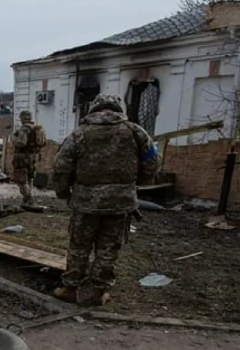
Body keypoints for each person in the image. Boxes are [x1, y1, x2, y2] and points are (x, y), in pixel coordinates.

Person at [52, 94, 161, 306]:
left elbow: (61, 167)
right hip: (119, 204)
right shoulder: (135, 132)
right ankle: (97, 292)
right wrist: (136, 183)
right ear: (118, 108)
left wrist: (63, 193)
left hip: (85, 203)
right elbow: (152, 161)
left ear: (94, 108)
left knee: (79, 247)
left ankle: (70, 288)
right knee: (108, 249)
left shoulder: (79, 134)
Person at [11, 110, 46, 206]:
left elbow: (21, 143)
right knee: (29, 178)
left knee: (21, 179)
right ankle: (26, 200)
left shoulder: (24, 129)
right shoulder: (37, 129)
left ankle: (28, 198)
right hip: (33, 157)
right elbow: (42, 143)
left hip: (22, 157)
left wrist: (13, 138)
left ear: (23, 118)